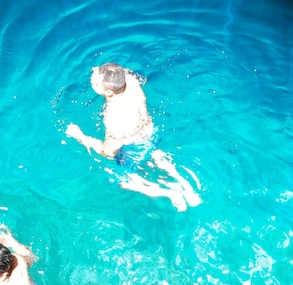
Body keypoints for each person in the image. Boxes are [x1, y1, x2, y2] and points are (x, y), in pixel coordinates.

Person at [66, 63, 201, 212]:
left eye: (96, 83)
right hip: (152, 133)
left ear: (109, 92)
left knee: (124, 182)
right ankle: (188, 189)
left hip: (134, 147)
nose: (92, 81)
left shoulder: (113, 118)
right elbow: (118, 72)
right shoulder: (130, 81)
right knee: (157, 157)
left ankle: (170, 193)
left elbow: (107, 151)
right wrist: (99, 72)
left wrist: (79, 136)